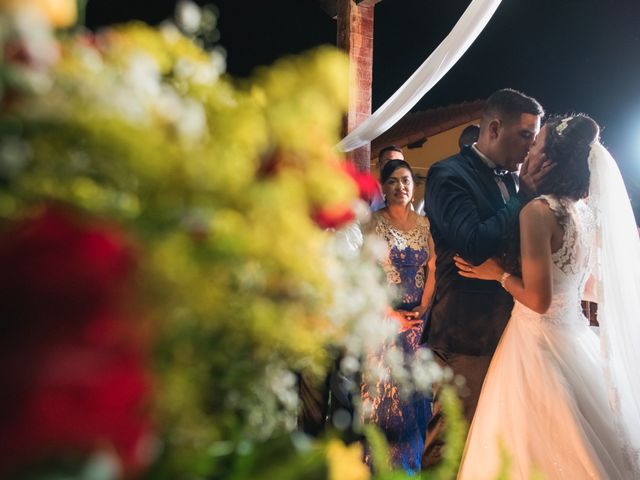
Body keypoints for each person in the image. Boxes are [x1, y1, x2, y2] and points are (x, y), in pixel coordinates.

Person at [455, 114, 640, 479]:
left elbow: (539, 300)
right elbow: (582, 282)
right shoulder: (582, 212)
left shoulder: (538, 213)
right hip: (573, 334)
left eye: (536, 143)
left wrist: (499, 274)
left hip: (537, 341)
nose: (529, 150)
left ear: (550, 159)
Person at [421, 88, 549, 468]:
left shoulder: (512, 182)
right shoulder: (448, 174)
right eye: (526, 135)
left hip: (511, 331)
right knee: (451, 443)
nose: (531, 146)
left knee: (496, 444)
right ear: (494, 128)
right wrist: (523, 194)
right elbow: (473, 244)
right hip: (466, 336)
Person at [361, 159, 436, 473]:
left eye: (405, 180)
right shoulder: (372, 223)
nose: (400, 187)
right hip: (384, 322)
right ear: (383, 186)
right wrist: (390, 313)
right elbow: (363, 276)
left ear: (412, 185)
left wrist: (424, 307)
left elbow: (433, 268)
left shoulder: (425, 225)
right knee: (385, 397)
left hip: (417, 323)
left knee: (414, 393)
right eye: (393, 181)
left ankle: (412, 465)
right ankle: (379, 465)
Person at [370, 145, 405, 212]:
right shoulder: (368, 192)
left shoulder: (404, 195)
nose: (394, 166)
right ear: (378, 165)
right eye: (389, 161)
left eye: (399, 163)